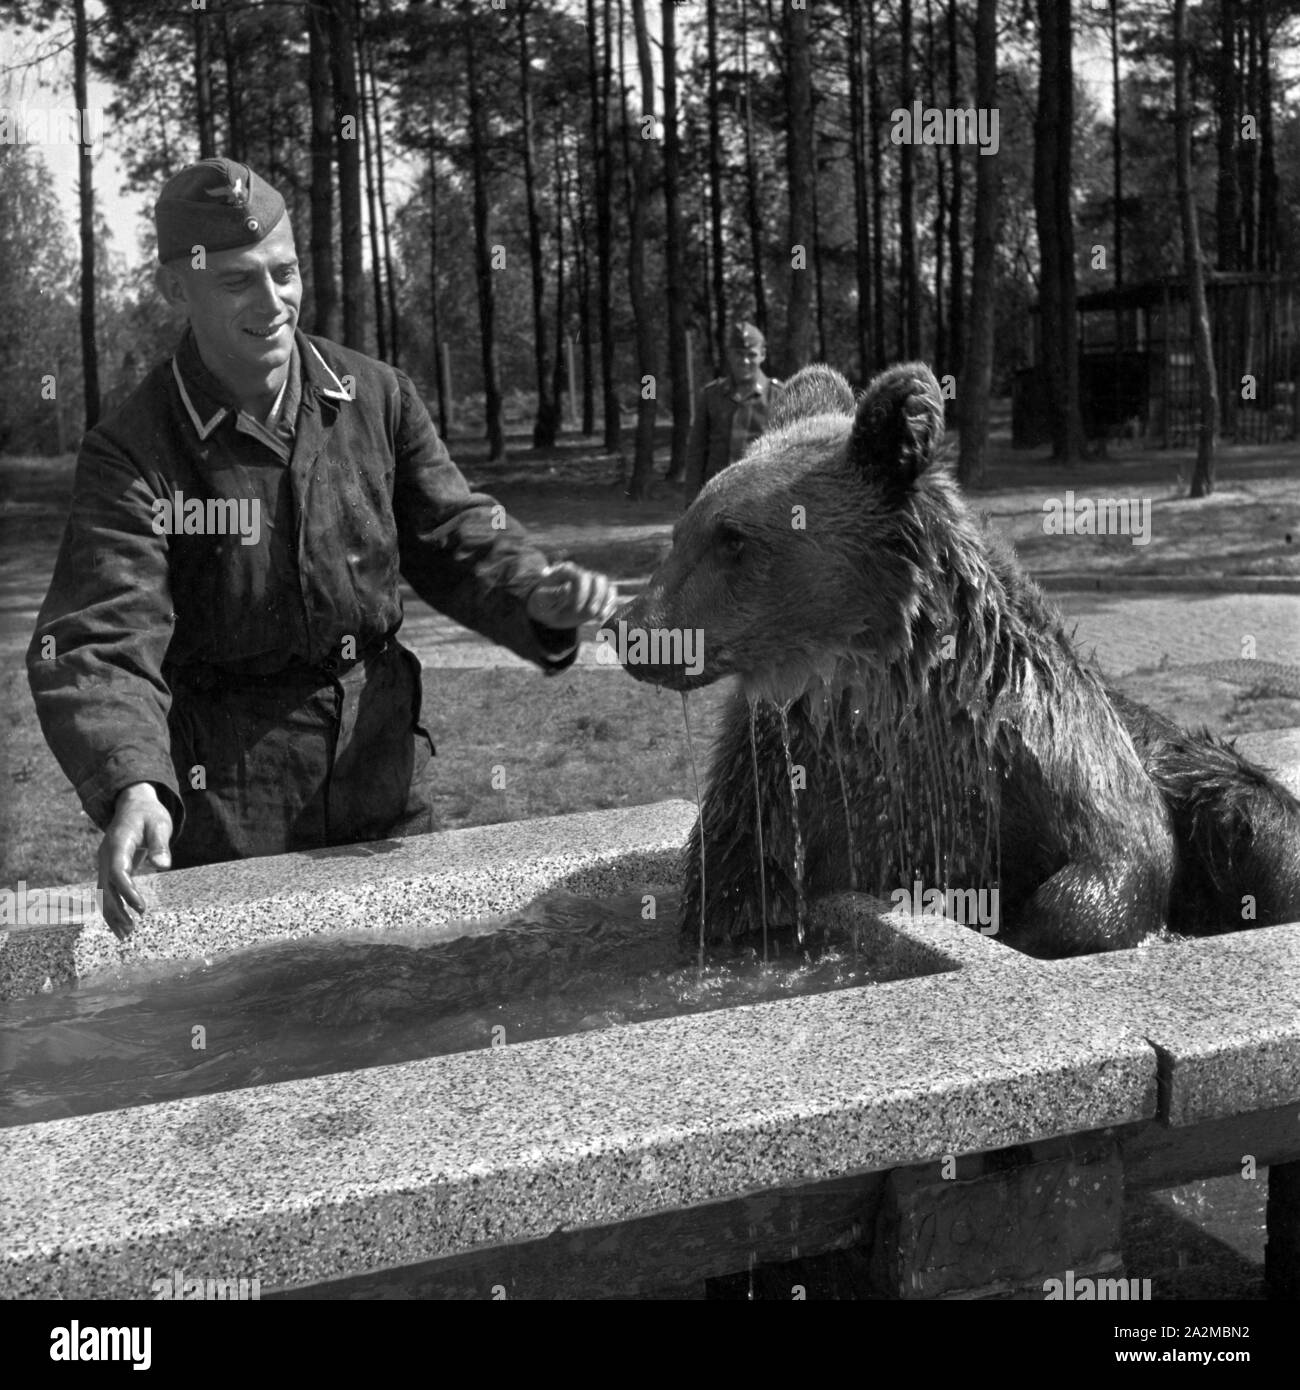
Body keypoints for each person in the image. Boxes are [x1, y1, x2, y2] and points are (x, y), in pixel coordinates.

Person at [27, 157, 616, 939]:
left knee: (423, 1008)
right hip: (232, 805)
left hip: (384, 783)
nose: (273, 303)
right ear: (177, 289)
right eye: (238, 282)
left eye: (285, 273)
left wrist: (533, 591)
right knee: (262, 1034)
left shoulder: (373, 395)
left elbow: (451, 531)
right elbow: (102, 632)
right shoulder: (135, 451)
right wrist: (132, 781)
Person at [681, 321, 783, 505]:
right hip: (715, 501)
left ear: (763, 355)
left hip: (763, 503)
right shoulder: (711, 396)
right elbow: (696, 452)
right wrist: (691, 502)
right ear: (729, 354)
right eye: (738, 354)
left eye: (751, 355)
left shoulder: (780, 397)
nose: (744, 361)